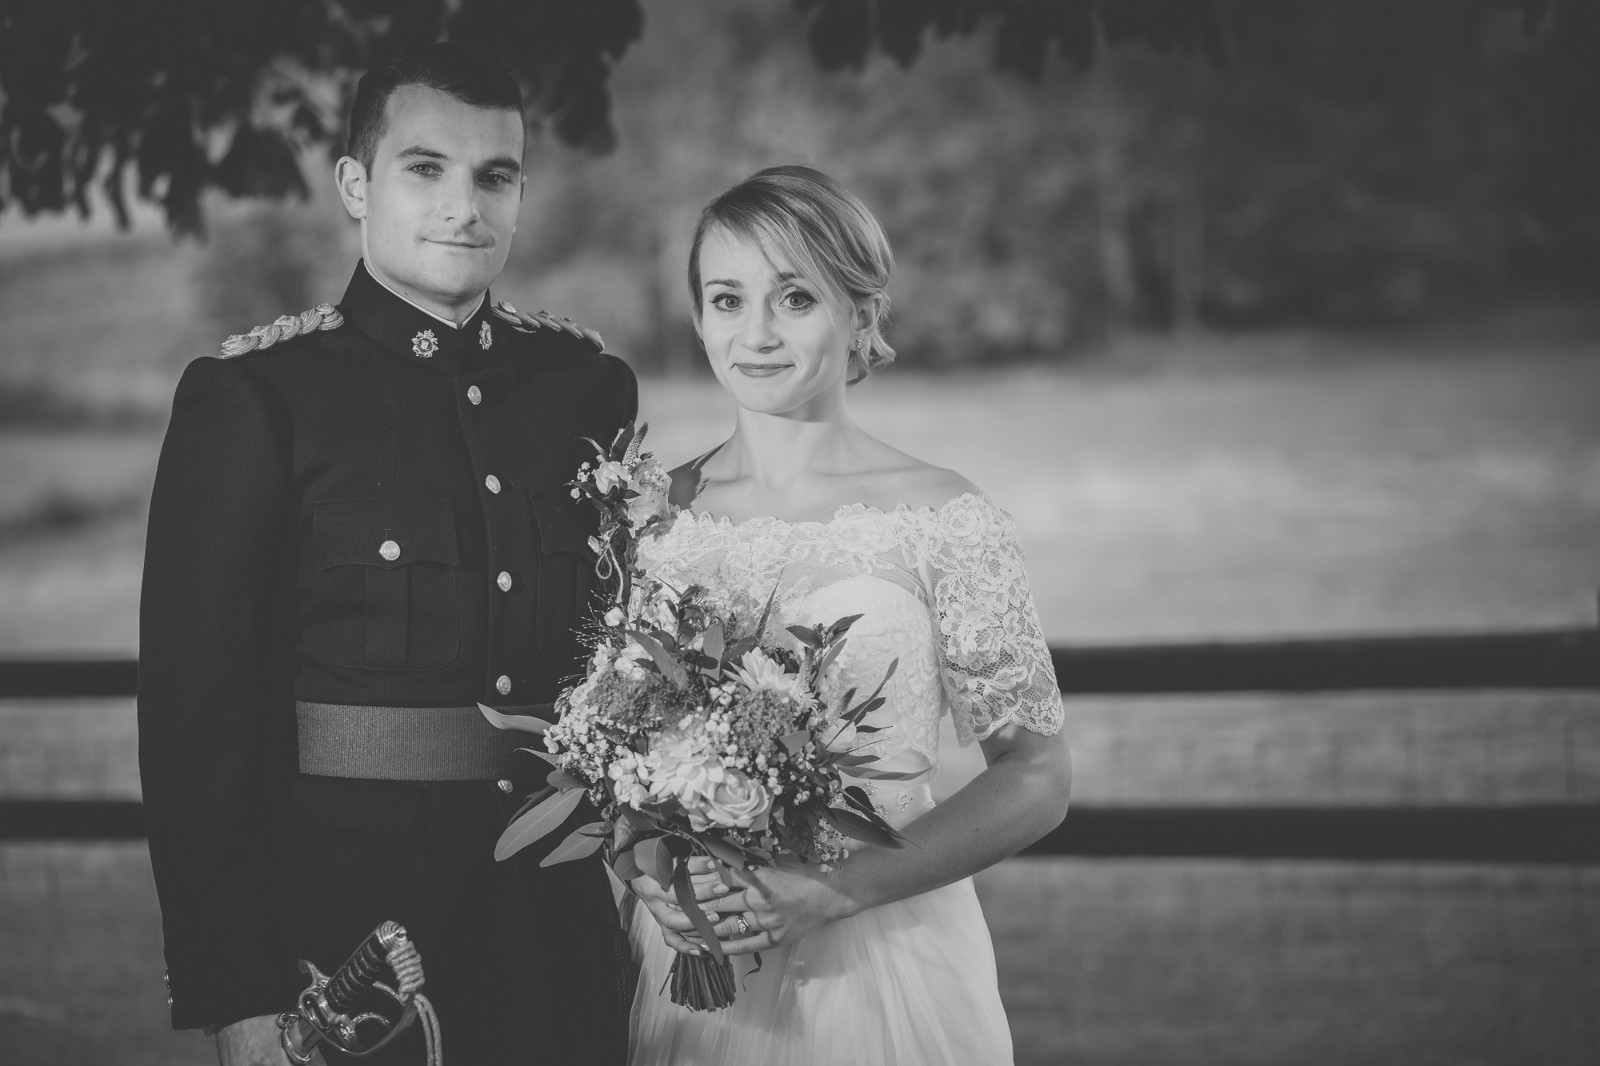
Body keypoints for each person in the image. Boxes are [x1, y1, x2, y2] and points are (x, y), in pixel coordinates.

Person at [138, 44, 633, 1065]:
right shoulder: (258, 398)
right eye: (426, 168)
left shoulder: (584, 390)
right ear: (356, 185)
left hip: (558, 928)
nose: (465, 206)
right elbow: (198, 728)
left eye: (495, 175)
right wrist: (240, 994)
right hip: (352, 940)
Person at [622, 165, 1073, 1064]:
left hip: (889, 962)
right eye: (727, 299)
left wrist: (838, 889)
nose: (756, 334)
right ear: (698, 316)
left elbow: (1037, 777)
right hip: (703, 974)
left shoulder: (944, 518)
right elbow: (620, 751)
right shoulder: (651, 520)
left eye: (795, 298)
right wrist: (644, 867)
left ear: (860, 313)